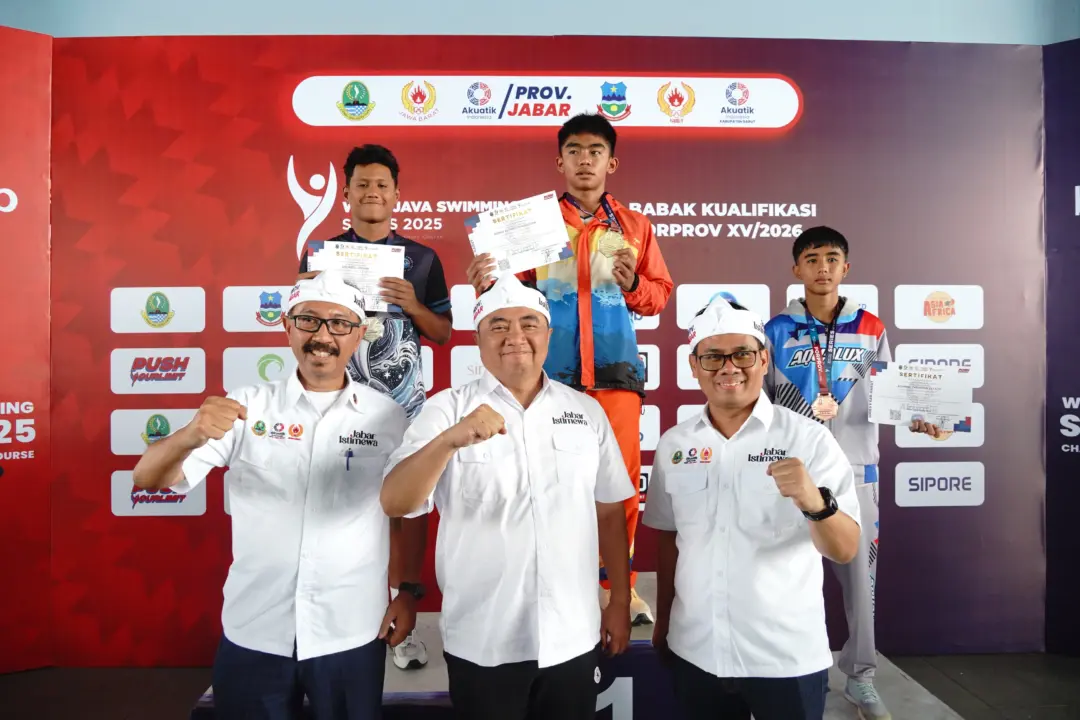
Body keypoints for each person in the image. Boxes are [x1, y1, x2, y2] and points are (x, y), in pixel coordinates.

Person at [132, 271, 412, 719]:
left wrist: (406, 590)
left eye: (340, 324)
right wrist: (189, 434)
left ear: (359, 335)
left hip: (350, 631)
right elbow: (147, 479)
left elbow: (401, 514)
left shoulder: (389, 416)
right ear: (286, 327)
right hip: (255, 630)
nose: (323, 336)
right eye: (309, 321)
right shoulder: (245, 406)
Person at [380, 274, 633, 720]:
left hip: (571, 637)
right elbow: (396, 502)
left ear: (548, 335)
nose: (515, 336)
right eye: (498, 325)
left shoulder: (585, 411)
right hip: (483, 640)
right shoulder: (445, 409)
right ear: (478, 340)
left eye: (528, 324)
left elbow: (610, 512)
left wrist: (616, 601)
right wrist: (449, 441)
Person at [465, 112, 672, 626]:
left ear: (611, 162)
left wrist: (632, 287)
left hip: (615, 372)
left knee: (619, 484)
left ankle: (614, 587)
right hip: (547, 375)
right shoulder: (529, 225)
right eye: (575, 151)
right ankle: (547, 579)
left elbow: (658, 297)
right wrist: (484, 284)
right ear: (559, 161)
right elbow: (507, 299)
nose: (585, 160)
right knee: (546, 478)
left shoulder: (634, 226)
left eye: (595, 151)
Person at [643, 296, 863, 720]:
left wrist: (813, 501)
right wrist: (665, 621)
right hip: (697, 653)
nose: (729, 368)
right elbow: (670, 542)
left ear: (764, 359)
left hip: (785, 659)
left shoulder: (809, 440)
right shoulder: (675, 444)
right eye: (713, 357)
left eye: (743, 353)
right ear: (694, 366)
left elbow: (846, 548)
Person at [763, 226, 943, 720]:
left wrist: (922, 417)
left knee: (859, 582)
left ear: (847, 268)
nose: (823, 267)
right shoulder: (774, 331)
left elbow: (893, 396)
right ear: (796, 269)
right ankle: (797, 671)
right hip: (793, 473)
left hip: (857, 469)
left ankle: (860, 678)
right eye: (812, 258)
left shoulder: (872, 327)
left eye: (832, 258)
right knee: (783, 576)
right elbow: (765, 407)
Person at [298, 144, 452, 671]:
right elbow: (305, 322)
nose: (372, 193)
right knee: (349, 506)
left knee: (410, 507)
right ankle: (349, 619)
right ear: (346, 194)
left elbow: (445, 333)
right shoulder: (321, 256)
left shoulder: (422, 259)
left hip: (405, 402)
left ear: (396, 195)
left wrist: (411, 304)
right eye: (362, 184)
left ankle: (405, 610)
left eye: (382, 185)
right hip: (340, 401)